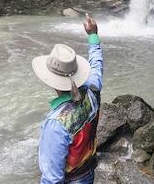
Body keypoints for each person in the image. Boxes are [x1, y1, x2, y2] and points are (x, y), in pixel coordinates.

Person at [32, 14, 102, 184]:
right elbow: (97, 64)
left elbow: (52, 179)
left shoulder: (56, 123)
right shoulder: (92, 91)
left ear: (52, 81)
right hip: (87, 172)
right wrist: (93, 35)